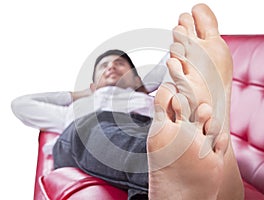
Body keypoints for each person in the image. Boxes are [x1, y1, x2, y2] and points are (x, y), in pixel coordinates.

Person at [11, 3, 244, 200]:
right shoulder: (80, 107)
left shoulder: (147, 97)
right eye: (104, 67)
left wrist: (144, 85)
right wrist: (80, 96)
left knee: (163, 134)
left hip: (149, 129)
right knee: (98, 126)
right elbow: (21, 105)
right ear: (92, 85)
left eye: (120, 64)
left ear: (136, 77)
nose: (112, 66)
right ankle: (193, 171)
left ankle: (193, 176)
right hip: (86, 131)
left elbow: (178, 54)